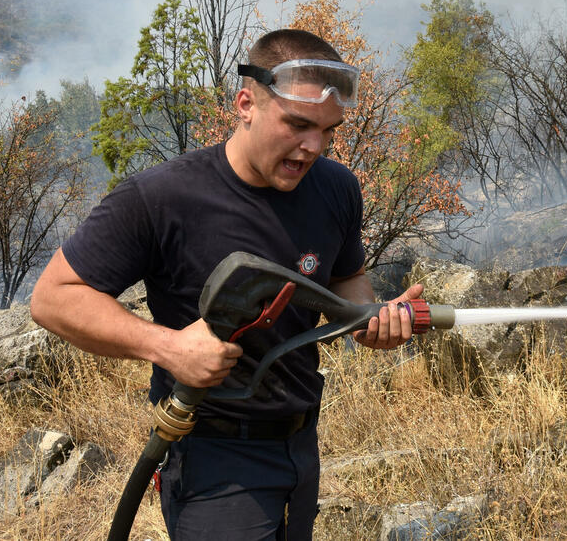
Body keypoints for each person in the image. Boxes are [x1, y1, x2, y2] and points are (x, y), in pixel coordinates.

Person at [30, 29, 419, 540]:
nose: (312, 148)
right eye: (298, 125)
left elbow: (346, 277)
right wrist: (167, 346)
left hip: (301, 443)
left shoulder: (336, 188)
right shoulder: (163, 196)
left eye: (328, 132)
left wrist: (369, 317)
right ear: (246, 104)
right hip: (213, 460)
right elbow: (52, 298)